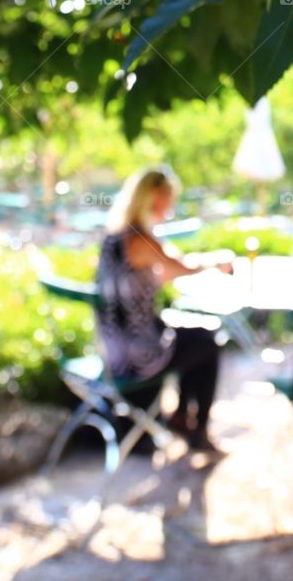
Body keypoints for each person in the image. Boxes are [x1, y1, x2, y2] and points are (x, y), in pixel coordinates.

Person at [96, 166, 231, 454]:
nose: (171, 206)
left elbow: (159, 273)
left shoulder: (115, 237)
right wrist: (217, 263)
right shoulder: (140, 239)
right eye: (169, 198)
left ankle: (183, 418)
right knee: (207, 342)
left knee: (193, 336)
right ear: (155, 198)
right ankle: (198, 431)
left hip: (113, 347)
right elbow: (181, 267)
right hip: (136, 355)